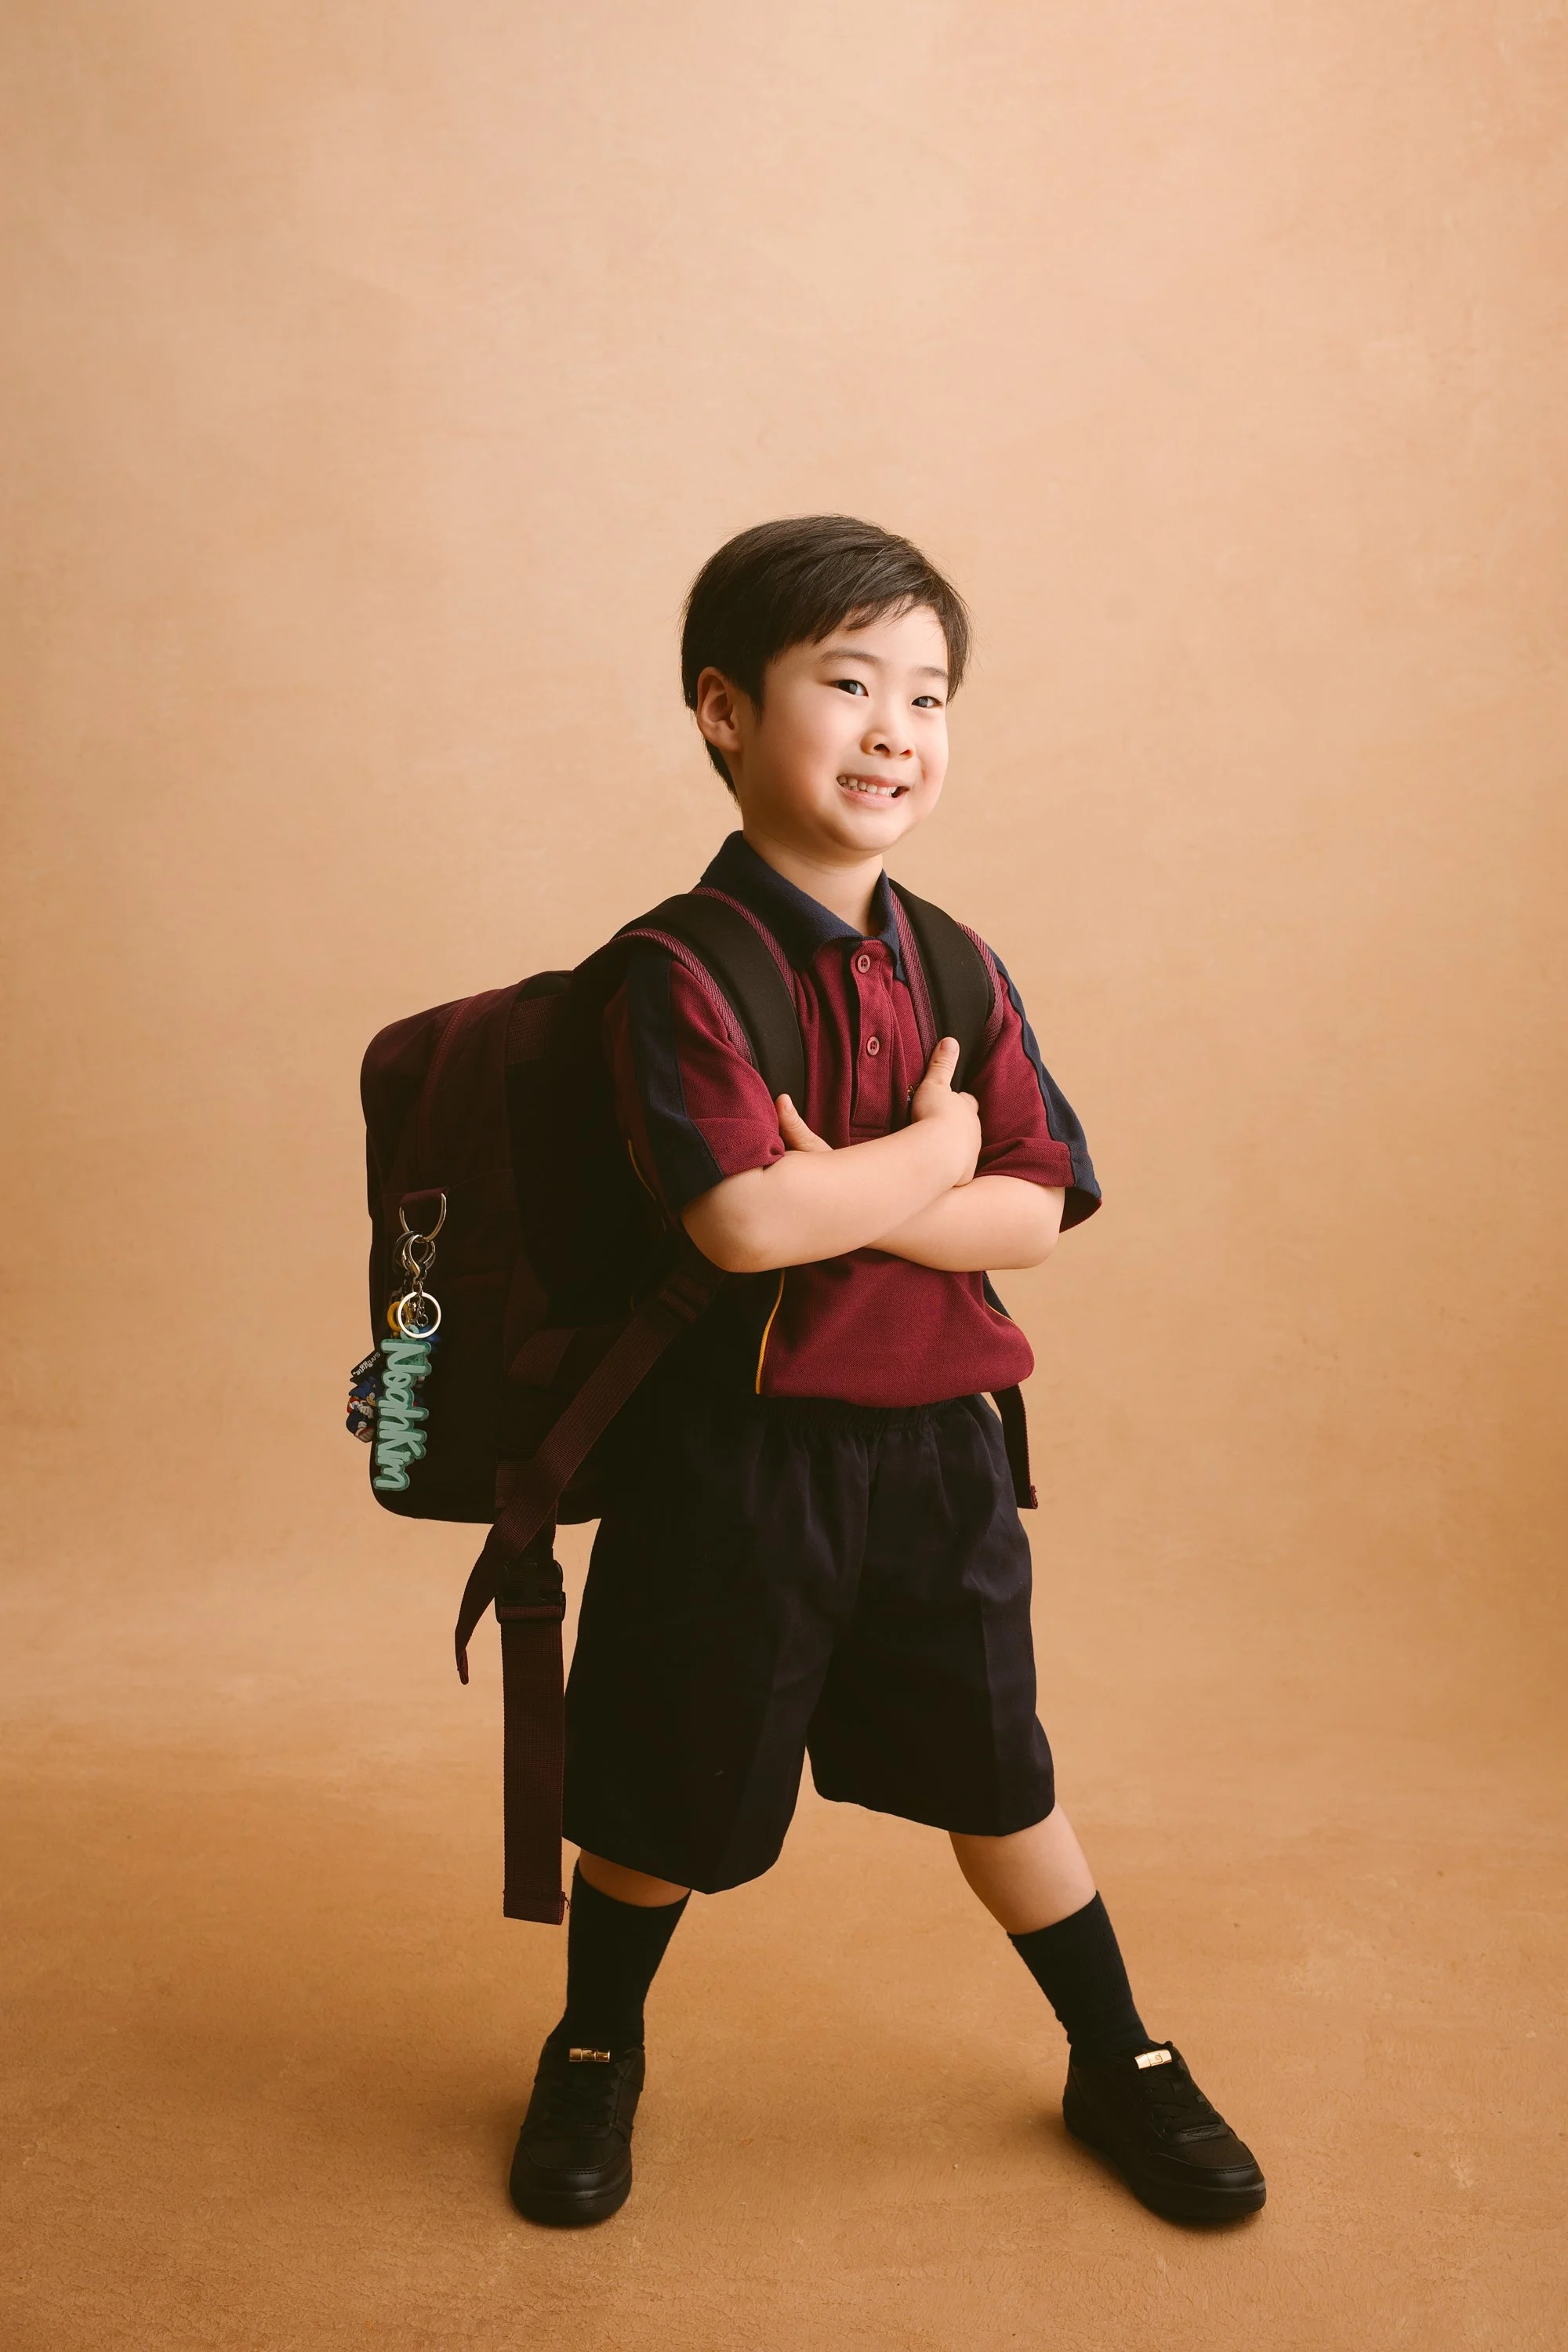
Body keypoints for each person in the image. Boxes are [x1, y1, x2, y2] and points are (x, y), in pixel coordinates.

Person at [509, 516, 1265, 2230]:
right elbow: (741, 1225)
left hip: (939, 1454)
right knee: (667, 1791)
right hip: (733, 1460)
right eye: (847, 685)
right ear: (724, 709)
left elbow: (1036, 1213)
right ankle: (594, 2043)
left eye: (928, 696)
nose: (894, 731)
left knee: (1000, 1773)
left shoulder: (959, 965)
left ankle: (1118, 2053)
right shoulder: (679, 970)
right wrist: (934, 1155)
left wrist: (874, 1181)